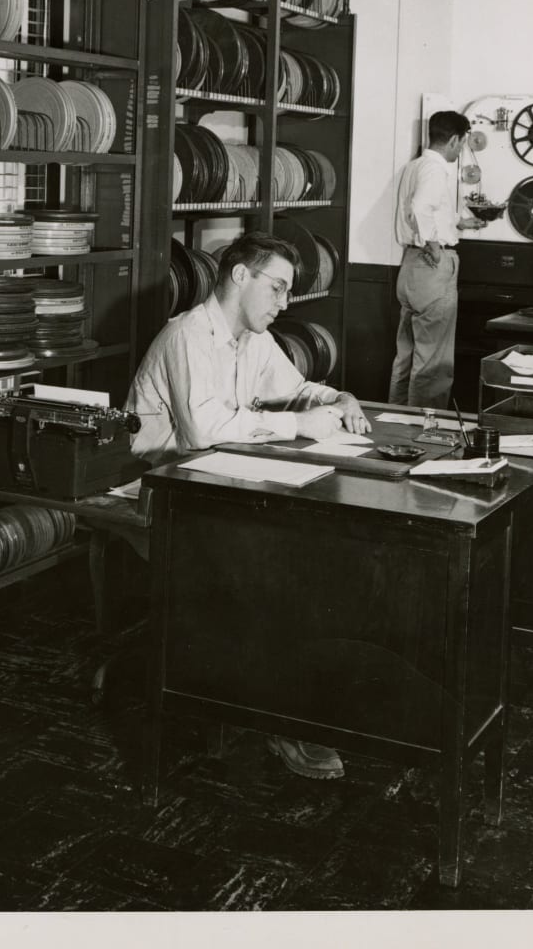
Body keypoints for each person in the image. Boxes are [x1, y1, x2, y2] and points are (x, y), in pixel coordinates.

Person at [126, 230, 370, 782]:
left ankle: (294, 703)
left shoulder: (252, 339)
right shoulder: (188, 334)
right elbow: (202, 433)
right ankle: (282, 722)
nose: (285, 303)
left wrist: (338, 398)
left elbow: (296, 387)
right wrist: (298, 424)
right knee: (284, 572)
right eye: (278, 288)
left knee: (312, 551)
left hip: (219, 488)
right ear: (240, 277)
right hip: (165, 491)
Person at [389, 110, 485, 408]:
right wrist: (433, 245)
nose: (461, 151)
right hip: (431, 270)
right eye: (462, 144)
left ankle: (396, 424)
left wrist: (457, 222)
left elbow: (419, 209)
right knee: (433, 363)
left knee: (406, 356)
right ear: (454, 139)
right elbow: (420, 208)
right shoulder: (436, 169)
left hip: (409, 270)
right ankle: (424, 433)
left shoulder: (414, 166)